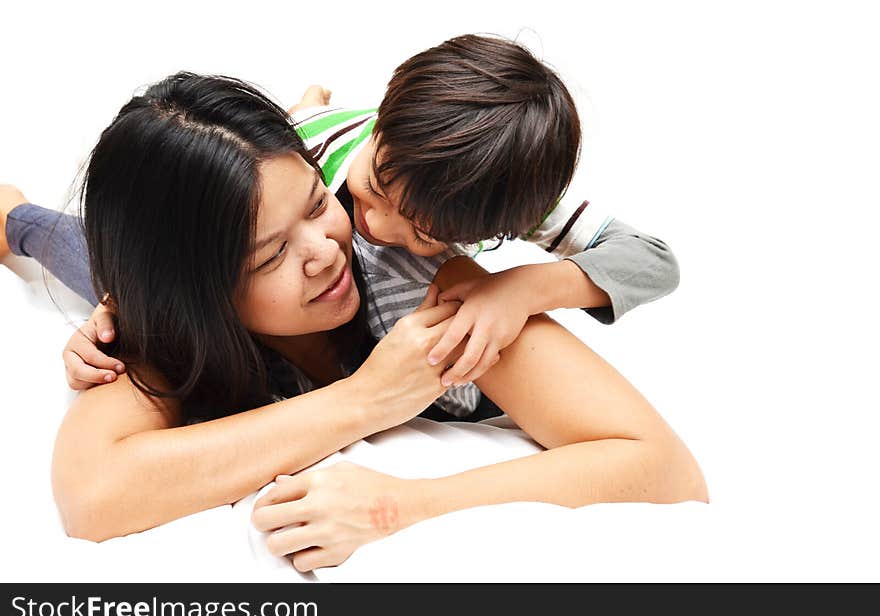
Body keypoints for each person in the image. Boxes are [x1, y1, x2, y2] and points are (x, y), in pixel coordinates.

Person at [0, 73, 704, 572]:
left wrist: (409, 503)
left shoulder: (432, 287)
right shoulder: (157, 321)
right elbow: (93, 496)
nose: (324, 251)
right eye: (271, 253)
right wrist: (366, 399)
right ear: (195, 294)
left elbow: (667, 469)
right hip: (143, 273)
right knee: (74, 247)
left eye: (315, 203)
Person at [36, 34, 679, 420]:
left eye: (422, 234)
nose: (370, 225)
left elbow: (653, 260)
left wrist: (522, 288)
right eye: (370, 190)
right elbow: (195, 215)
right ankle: (16, 220)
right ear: (380, 126)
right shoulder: (320, 149)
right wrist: (122, 301)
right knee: (80, 244)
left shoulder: (495, 200)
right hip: (310, 140)